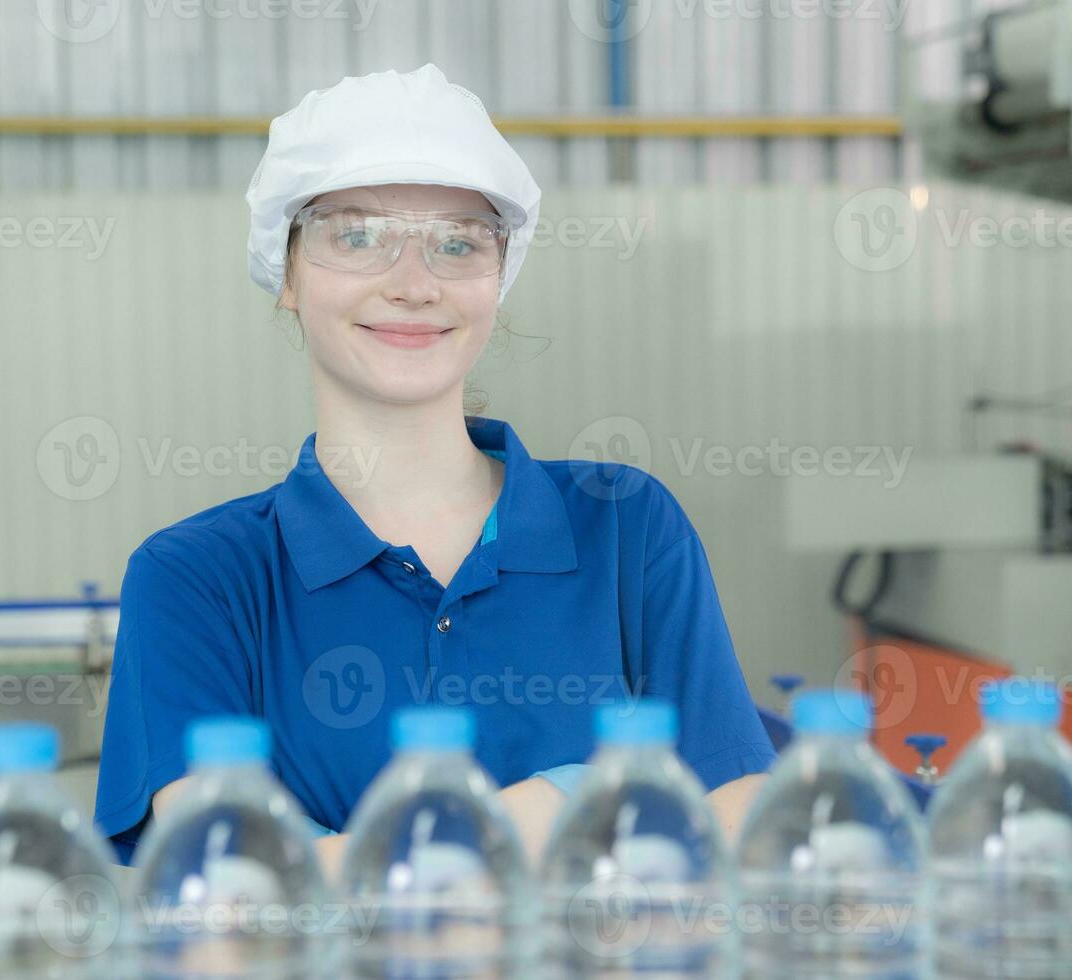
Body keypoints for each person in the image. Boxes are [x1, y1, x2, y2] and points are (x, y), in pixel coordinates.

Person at [94, 63, 775, 874]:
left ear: (498, 279)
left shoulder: (624, 523)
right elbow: (221, 881)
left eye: (458, 243)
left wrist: (351, 862)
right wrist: (578, 796)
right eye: (356, 235)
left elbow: (735, 812)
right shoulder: (199, 577)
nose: (413, 284)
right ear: (287, 274)